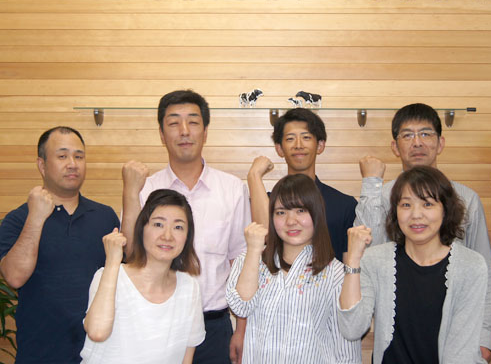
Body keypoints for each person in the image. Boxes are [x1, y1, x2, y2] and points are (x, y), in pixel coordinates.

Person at [354, 103, 491, 360]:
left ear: (440, 143)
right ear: (395, 146)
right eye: (407, 135)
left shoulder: (466, 199)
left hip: (456, 335)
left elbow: (484, 270)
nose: (417, 142)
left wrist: (485, 338)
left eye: (425, 133)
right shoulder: (382, 196)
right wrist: (371, 186)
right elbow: (366, 253)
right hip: (400, 337)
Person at [120, 90, 251, 364]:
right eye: (173, 123)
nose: (184, 131)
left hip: (215, 326)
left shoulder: (232, 189)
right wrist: (129, 192)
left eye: (193, 122)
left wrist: (241, 329)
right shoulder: (144, 190)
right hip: (155, 324)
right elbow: (130, 255)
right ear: (161, 133)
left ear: (205, 131)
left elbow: (241, 262)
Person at [338, 166, 488, 364]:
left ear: (446, 210)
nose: (416, 215)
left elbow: (461, 353)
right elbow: (351, 329)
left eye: (427, 204)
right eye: (406, 205)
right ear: (395, 211)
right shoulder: (375, 261)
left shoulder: (471, 266)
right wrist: (353, 261)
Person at [0, 126, 120, 364]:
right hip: (40, 355)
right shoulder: (18, 219)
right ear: (42, 165)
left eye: (79, 156)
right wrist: (36, 217)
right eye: (62, 156)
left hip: (99, 353)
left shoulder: (105, 217)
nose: (72, 164)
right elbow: (14, 277)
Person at [226, 174, 361, 364]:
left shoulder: (334, 273)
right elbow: (241, 307)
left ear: (317, 213)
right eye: (281, 212)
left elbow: (346, 349)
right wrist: (255, 250)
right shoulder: (249, 259)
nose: (291, 221)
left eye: (301, 210)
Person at [81, 189, 205, 363]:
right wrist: (112, 262)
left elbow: (186, 357)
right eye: (158, 224)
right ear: (142, 229)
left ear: (187, 236)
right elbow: (97, 332)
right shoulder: (109, 275)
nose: (167, 236)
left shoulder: (189, 287)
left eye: (178, 227)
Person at [247, 108, 357, 261]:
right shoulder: (268, 201)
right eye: (290, 139)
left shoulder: (344, 205)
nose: (298, 145)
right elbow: (265, 236)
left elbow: (350, 264)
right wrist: (254, 176)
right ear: (279, 149)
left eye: (306, 137)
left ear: (320, 145)